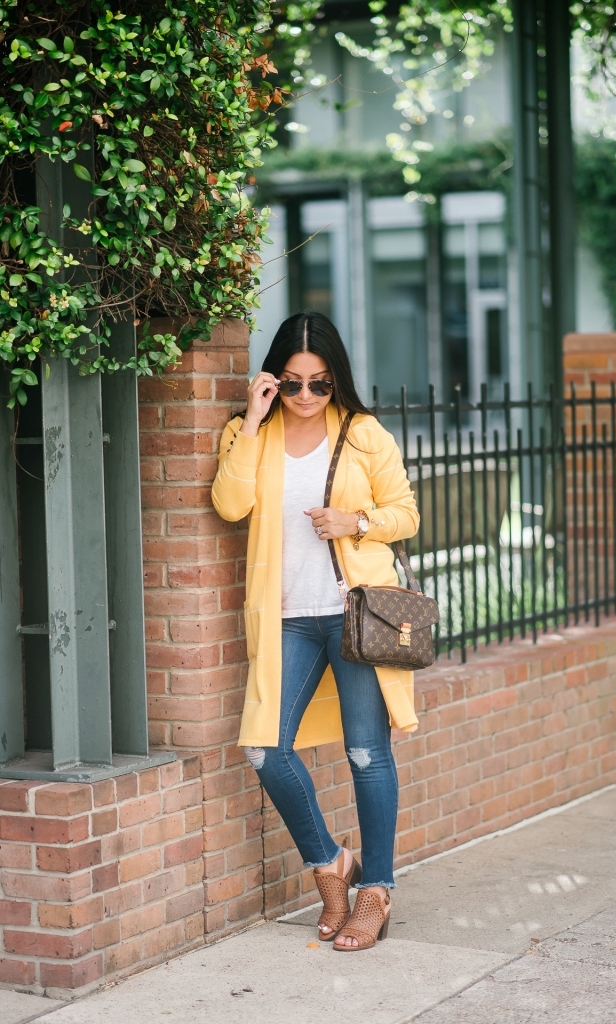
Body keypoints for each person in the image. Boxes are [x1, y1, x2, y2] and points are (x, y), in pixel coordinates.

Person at [212, 311, 420, 951]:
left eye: (320, 384)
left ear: (338, 382)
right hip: (285, 619)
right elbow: (230, 504)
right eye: (294, 383)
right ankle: (331, 865)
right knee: (264, 748)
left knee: (366, 753)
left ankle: (375, 892)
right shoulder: (249, 432)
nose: (306, 397)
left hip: (354, 616)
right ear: (274, 379)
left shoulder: (363, 433)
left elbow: (405, 514)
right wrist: (252, 417)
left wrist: (354, 520)